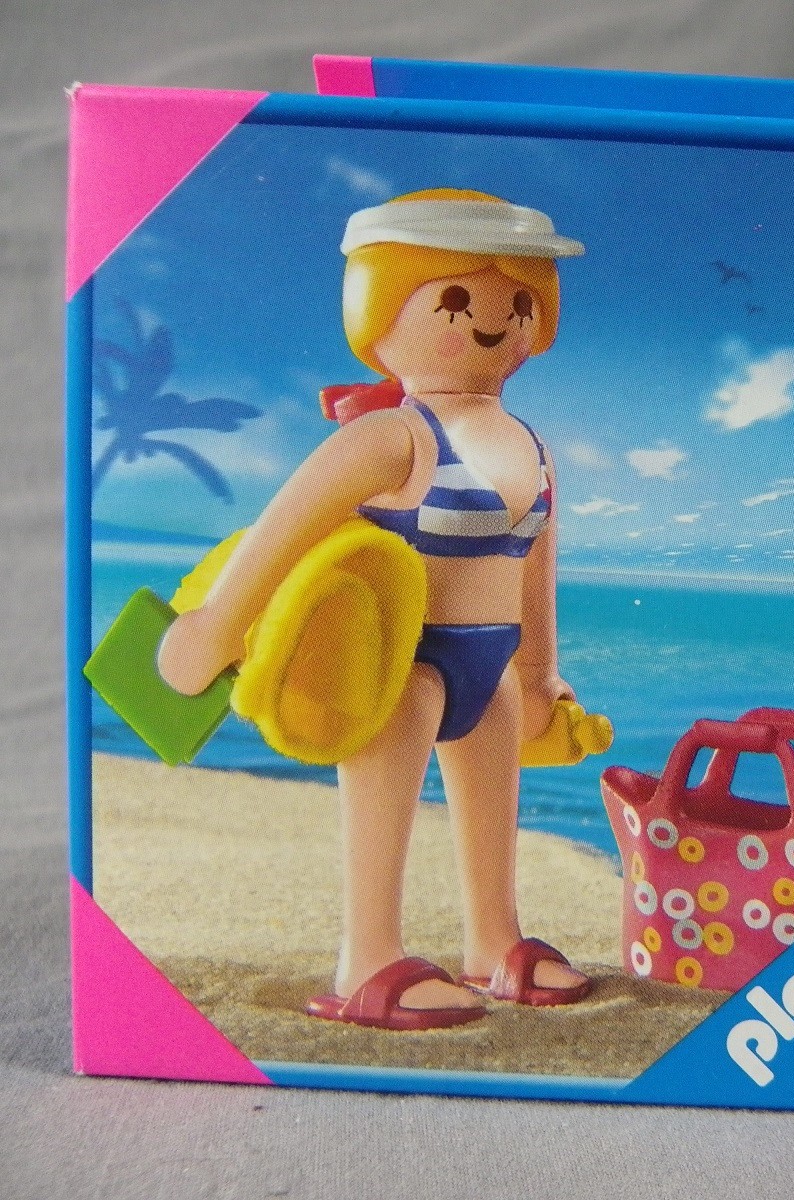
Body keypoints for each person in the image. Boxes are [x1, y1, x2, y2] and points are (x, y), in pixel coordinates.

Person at [158, 188, 591, 1030]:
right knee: (382, 812)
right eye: (457, 302)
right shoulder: (392, 438)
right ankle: (367, 961)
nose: (493, 322)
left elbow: (536, 565)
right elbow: (281, 532)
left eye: (518, 305)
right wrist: (215, 625)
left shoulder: (530, 446)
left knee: (492, 813)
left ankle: (493, 942)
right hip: (400, 661)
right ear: (378, 311)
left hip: (494, 669)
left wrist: (539, 673)